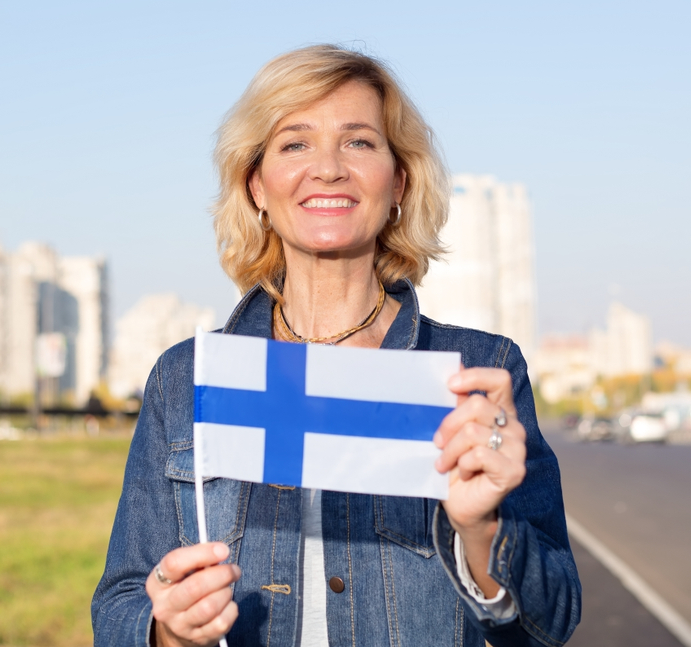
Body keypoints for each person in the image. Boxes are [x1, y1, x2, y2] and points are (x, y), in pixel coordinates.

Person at [92, 45, 580, 647]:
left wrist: (480, 529)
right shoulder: (190, 377)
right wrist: (168, 631)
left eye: (359, 142)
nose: (327, 168)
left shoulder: (474, 374)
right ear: (257, 187)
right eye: (295, 143)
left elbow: (551, 624)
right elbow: (116, 609)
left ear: (399, 180)